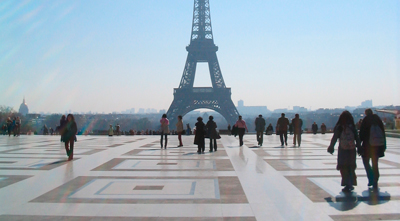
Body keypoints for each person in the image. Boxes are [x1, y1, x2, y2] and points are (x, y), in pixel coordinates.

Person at [327, 111, 361, 193]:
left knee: (343, 166)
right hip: (352, 149)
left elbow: (334, 138)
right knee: (351, 166)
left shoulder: (340, 127)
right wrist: (359, 147)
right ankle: (351, 183)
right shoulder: (352, 127)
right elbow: (357, 138)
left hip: (343, 149)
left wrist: (331, 147)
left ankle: (346, 183)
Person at [359, 108, 386, 190]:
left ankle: (371, 177)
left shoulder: (366, 120)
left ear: (366, 113)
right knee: (375, 163)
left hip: (368, 145)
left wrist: (359, 144)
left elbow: (362, 133)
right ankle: (375, 179)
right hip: (377, 146)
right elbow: (382, 132)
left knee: (366, 162)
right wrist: (384, 145)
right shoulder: (378, 119)